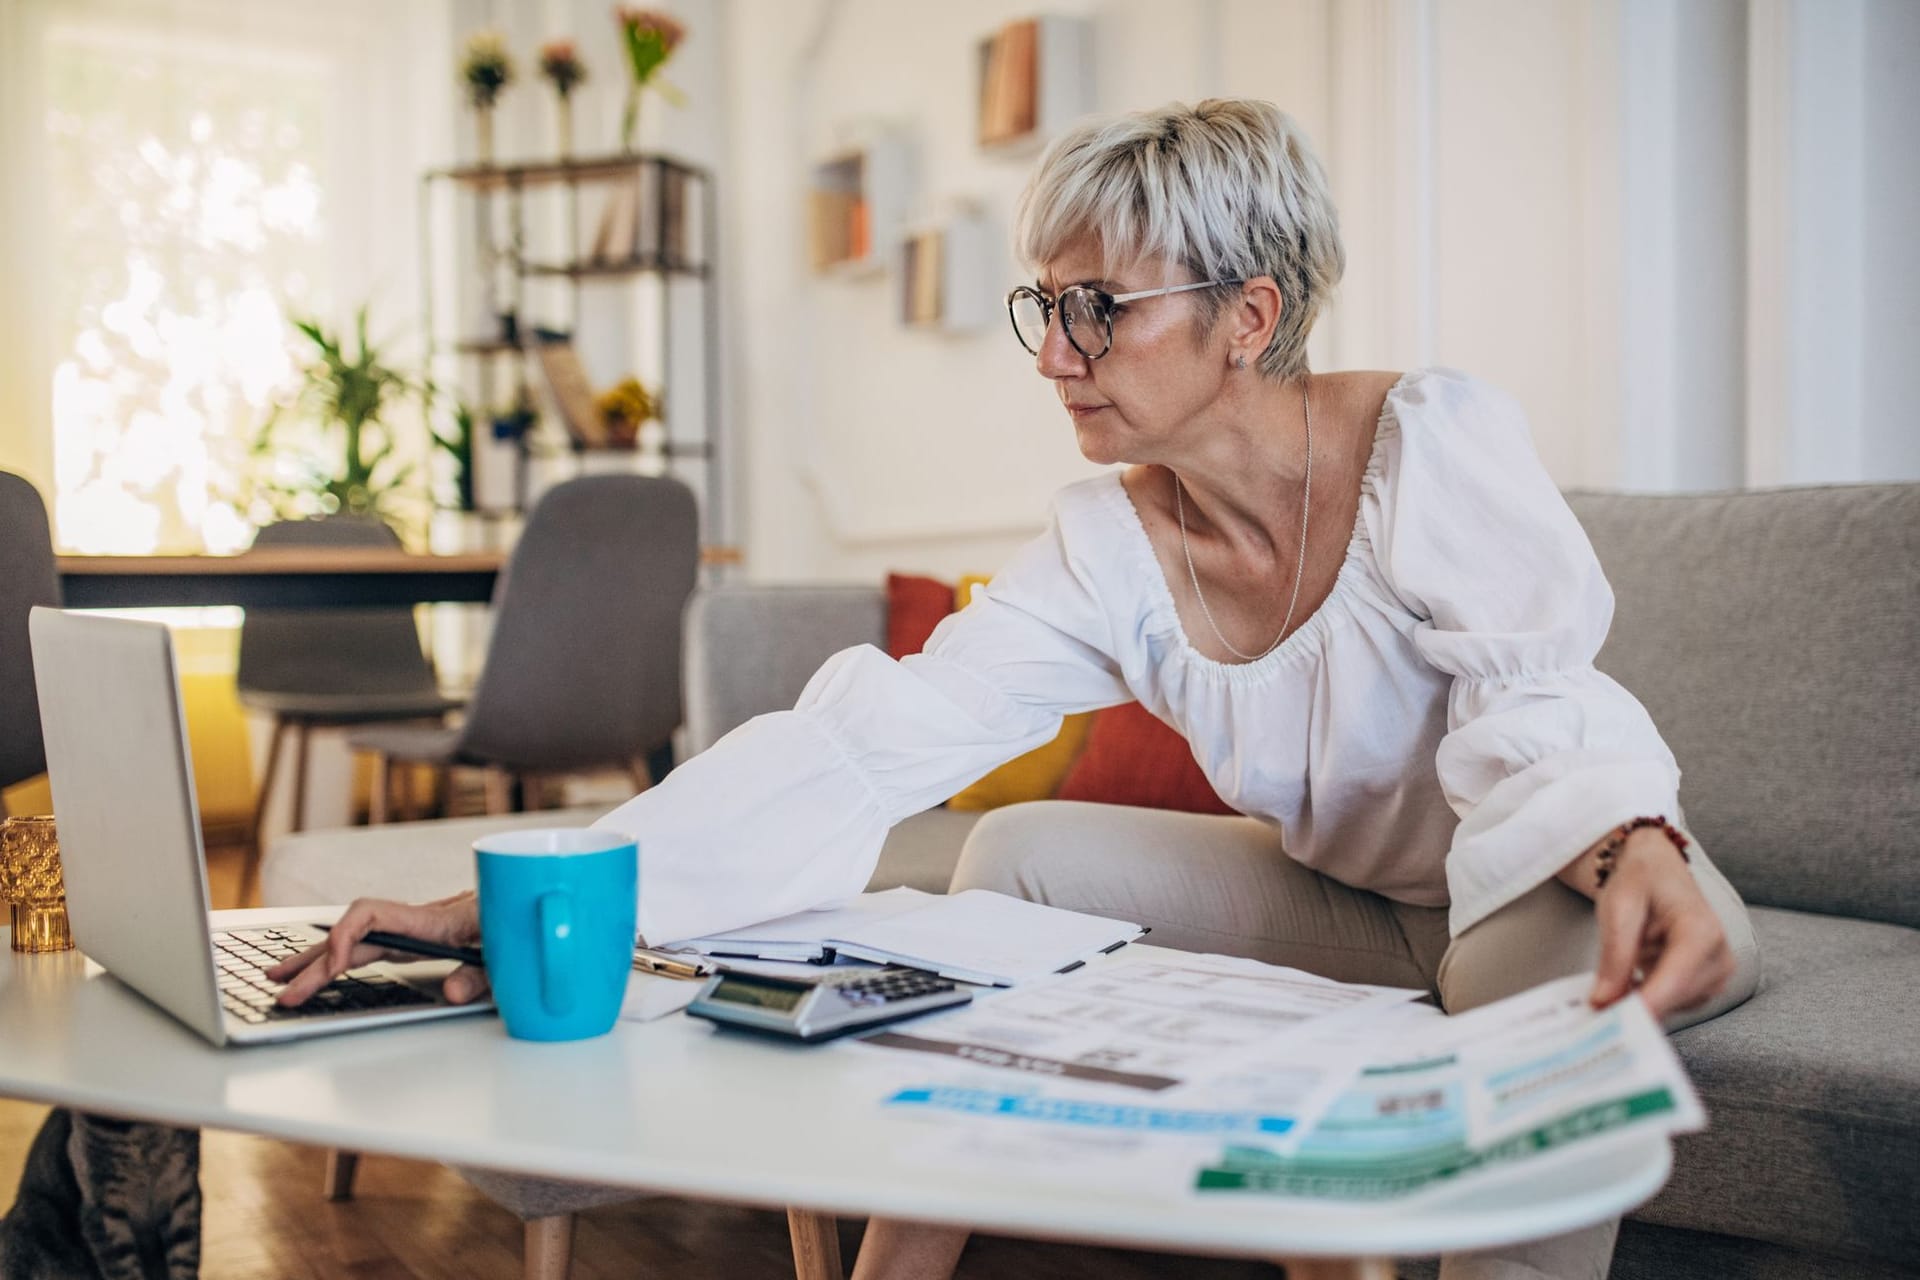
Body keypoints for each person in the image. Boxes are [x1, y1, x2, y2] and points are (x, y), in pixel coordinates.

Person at [271, 99, 1760, 1279]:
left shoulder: (1430, 442)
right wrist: (542, 894)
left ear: (1251, 315)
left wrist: (1634, 849)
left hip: (1538, 883)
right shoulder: (1108, 539)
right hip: (1352, 902)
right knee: (1016, 858)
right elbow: (867, 747)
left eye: (1100, 309)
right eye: (1041, 306)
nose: (1055, 354)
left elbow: (1537, 696)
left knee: (1564, 1039)